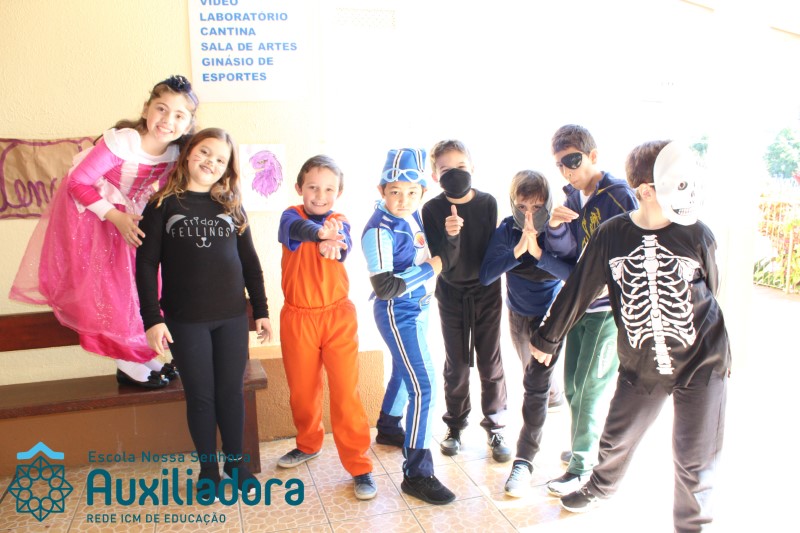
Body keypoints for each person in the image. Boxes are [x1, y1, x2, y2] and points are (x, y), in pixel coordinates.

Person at [530, 140, 730, 532]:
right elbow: (580, 288)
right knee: (616, 437)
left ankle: (693, 525)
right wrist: (547, 339)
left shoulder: (697, 233)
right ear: (646, 190)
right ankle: (600, 487)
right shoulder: (612, 235)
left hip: (702, 362)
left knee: (695, 457)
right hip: (640, 364)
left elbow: (711, 290)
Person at [10, 75, 198, 388]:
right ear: (146, 109)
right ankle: (125, 361)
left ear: (189, 123)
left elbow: (168, 192)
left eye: (179, 115)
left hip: (130, 213)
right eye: (161, 109)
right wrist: (114, 216)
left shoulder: (177, 151)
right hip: (95, 215)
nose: (168, 121)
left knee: (141, 285)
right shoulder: (124, 142)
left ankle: (140, 353)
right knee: (113, 289)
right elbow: (77, 182)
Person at [135, 127, 272, 497]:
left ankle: (236, 464)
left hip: (231, 318)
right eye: (205, 152)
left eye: (221, 159)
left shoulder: (231, 206)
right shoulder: (163, 204)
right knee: (201, 397)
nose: (211, 162)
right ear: (188, 153)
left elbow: (250, 262)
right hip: (185, 321)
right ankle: (208, 470)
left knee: (231, 393)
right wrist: (152, 319)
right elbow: (145, 264)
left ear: (228, 168)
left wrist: (260, 310)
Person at [543, 124, 639, 497]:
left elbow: (633, 251)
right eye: (560, 164)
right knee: (572, 385)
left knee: (590, 387)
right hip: (579, 306)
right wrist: (554, 226)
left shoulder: (618, 196)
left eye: (572, 160)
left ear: (592, 155)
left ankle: (582, 467)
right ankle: (582, 447)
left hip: (607, 309)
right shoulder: (573, 197)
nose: (566, 170)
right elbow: (568, 253)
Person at [276, 155, 376, 501]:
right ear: (299, 188)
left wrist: (333, 240)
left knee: (346, 393)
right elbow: (298, 230)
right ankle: (308, 444)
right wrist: (320, 235)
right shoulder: (290, 217)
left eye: (329, 189)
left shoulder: (340, 221)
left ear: (339, 192)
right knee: (303, 391)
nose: (320, 195)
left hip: (337, 318)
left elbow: (341, 239)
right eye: (313, 187)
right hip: (297, 318)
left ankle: (359, 466)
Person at [362, 148, 455, 505]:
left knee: (406, 372)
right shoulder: (378, 230)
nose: (403, 200)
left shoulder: (413, 215)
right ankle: (417, 474)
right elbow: (385, 286)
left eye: (412, 192)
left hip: (418, 308)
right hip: (397, 311)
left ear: (422, 192)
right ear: (382, 190)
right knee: (424, 385)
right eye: (395, 192)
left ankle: (388, 427)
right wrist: (432, 268)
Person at [477, 170, 572, 496]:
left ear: (548, 204)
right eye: (522, 207)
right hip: (518, 314)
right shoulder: (507, 229)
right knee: (534, 375)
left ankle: (524, 462)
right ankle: (555, 396)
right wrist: (518, 250)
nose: (529, 216)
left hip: (550, 317)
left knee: (534, 385)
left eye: (537, 207)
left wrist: (540, 255)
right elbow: (486, 275)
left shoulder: (557, 229)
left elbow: (574, 275)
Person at [420, 139, 511, 463]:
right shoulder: (431, 209)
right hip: (451, 293)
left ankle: (496, 426)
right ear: (435, 176)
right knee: (457, 364)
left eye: (460, 166)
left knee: (490, 361)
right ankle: (455, 425)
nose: (454, 173)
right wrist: (452, 235)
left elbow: (493, 251)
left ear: (472, 168)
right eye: (445, 169)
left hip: (486, 291)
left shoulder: (487, 203)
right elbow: (443, 261)